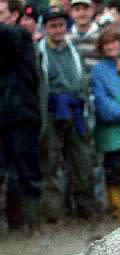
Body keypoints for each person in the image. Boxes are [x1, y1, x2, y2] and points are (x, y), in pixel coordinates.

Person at [38, 5, 99, 223]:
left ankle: (85, 211)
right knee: (51, 162)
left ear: (66, 26)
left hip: (76, 110)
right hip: (52, 113)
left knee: (82, 159)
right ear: (45, 28)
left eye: (61, 25)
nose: (57, 30)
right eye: (52, 26)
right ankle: (54, 214)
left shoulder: (74, 51)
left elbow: (82, 81)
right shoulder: (39, 52)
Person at [0, 0, 42, 236]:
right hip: (4, 117)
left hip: (22, 116)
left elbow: (8, 37)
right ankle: (13, 225)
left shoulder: (20, 36)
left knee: (28, 173)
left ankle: (33, 225)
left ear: (14, 15)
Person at [90, 25, 120, 220]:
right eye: (107, 43)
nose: (111, 46)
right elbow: (100, 99)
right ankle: (117, 211)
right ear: (102, 47)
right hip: (110, 130)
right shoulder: (98, 70)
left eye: (114, 41)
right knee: (113, 170)